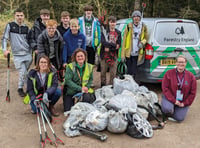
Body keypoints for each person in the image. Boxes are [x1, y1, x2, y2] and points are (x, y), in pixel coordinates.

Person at [2, 8, 32, 97]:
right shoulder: (10, 26)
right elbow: (4, 38)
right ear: (14, 16)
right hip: (17, 55)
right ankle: (30, 90)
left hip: (28, 55)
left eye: (21, 15)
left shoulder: (27, 28)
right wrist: (4, 50)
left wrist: (32, 52)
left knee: (24, 72)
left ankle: (19, 87)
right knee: (23, 72)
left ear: (24, 16)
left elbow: (30, 41)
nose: (19, 17)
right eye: (18, 15)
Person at [161, 55, 197, 122]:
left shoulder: (191, 77)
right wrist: (174, 101)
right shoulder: (168, 73)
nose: (181, 64)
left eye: (183, 62)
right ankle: (169, 108)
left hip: (183, 101)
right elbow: (165, 89)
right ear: (176, 63)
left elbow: (193, 93)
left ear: (186, 63)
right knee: (167, 109)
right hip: (170, 98)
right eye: (179, 62)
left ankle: (176, 110)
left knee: (179, 118)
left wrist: (185, 103)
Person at [121, 10, 147, 79]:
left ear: (140, 18)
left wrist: (142, 43)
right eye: (135, 16)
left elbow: (146, 38)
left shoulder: (143, 27)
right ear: (133, 18)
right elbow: (124, 41)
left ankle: (133, 85)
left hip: (138, 53)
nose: (136, 18)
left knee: (135, 72)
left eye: (138, 16)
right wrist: (122, 55)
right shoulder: (128, 26)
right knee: (128, 72)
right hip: (128, 53)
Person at [100, 16, 121, 87]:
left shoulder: (118, 33)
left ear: (116, 23)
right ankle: (103, 86)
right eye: (111, 22)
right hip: (104, 55)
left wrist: (110, 48)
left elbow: (118, 45)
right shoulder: (104, 31)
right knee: (103, 72)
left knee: (113, 73)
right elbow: (103, 42)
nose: (112, 24)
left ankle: (111, 86)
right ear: (108, 23)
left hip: (114, 55)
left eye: (114, 22)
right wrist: (113, 45)